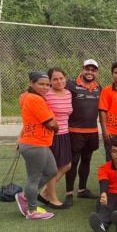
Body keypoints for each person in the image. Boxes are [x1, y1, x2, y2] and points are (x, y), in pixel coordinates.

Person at [14, 71, 58, 220]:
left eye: (47, 84)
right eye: (41, 84)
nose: (45, 87)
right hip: (34, 144)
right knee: (34, 177)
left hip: (39, 143)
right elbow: (50, 123)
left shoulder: (31, 97)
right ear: (32, 83)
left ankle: (25, 195)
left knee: (51, 171)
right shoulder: (35, 99)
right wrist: (56, 126)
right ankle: (32, 210)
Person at [65, 59, 101, 204]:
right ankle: (68, 193)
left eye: (93, 70)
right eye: (88, 69)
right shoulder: (70, 85)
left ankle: (82, 190)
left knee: (87, 160)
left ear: (97, 72)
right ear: (82, 69)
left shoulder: (99, 87)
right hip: (75, 131)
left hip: (92, 131)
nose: (90, 72)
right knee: (73, 162)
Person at [40, 67, 72, 209]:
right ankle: (52, 198)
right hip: (52, 136)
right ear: (50, 81)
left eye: (61, 78)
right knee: (53, 168)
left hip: (65, 134)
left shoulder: (68, 93)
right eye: (55, 79)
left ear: (65, 78)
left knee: (66, 165)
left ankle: (44, 192)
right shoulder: (46, 95)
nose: (59, 81)